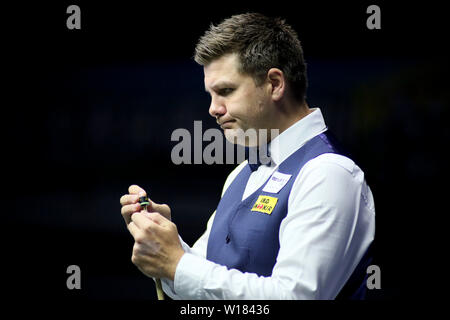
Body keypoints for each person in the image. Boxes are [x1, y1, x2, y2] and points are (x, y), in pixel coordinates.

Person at [119, 12, 375, 299]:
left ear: (275, 84)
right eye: (211, 95)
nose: (213, 109)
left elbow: (295, 297)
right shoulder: (242, 173)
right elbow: (201, 282)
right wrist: (165, 242)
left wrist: (175, 264)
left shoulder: (329, 174)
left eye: (226, 91)